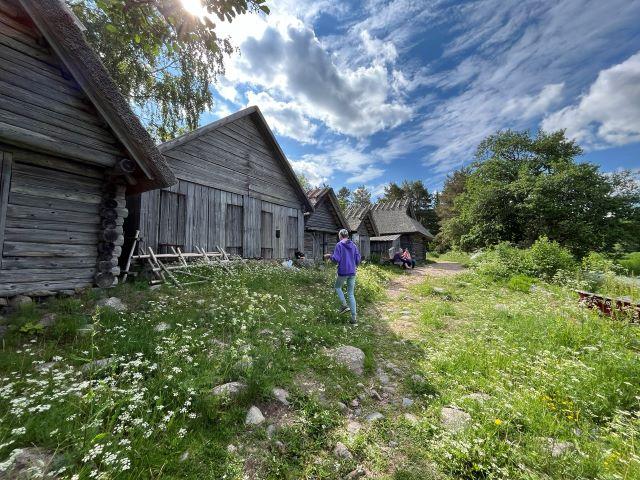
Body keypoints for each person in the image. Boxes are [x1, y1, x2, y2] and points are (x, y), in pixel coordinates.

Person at [324, 229, 361, 324]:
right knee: (351, 294)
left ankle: (344, 305)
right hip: (352, 272)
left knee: (337, 287)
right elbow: (358, 259)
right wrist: (354, 265)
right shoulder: (353, 245)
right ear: (347, 236)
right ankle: (354, 318)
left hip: (343, 271)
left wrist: (329, 256)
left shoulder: (339, 245)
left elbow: (336, 259)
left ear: (340, 236)